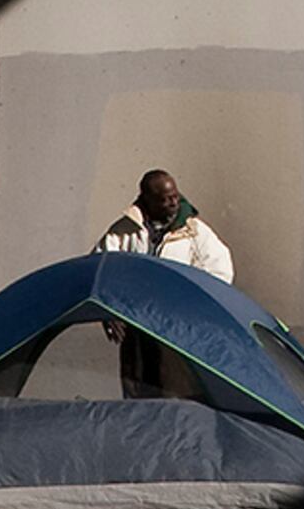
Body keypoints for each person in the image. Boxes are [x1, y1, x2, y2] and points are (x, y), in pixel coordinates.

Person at [92, 169, 237, 398]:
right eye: (164, 199)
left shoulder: (194, 232)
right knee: (138, 394)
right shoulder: (125, 232)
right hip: (136, 326)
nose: (173, 203)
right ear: (147, 199)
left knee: (175, 392)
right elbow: (98, 270)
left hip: (176, 326)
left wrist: (191, 307)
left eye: (175, 196)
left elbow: (220, 271)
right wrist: (108, 309)